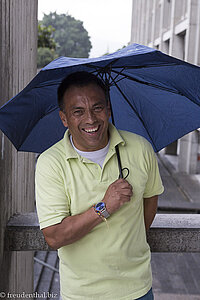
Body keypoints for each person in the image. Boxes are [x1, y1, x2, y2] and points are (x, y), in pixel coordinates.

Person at [35, 71, 164, 300]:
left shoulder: (141, 148)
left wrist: (128, 242)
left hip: (138, 289)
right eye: (78, 112)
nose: (91, 119)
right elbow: (54, 236)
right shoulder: (50, 163)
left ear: (109, 109)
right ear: (64, 118)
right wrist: (104, 206)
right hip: (81, 294)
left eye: (97, 108)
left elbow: (150, 200)